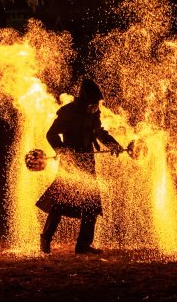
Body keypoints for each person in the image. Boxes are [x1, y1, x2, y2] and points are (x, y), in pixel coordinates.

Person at [36, 79, 124, 255]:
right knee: (59, 205)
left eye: (97, 103)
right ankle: (45, 239)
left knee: (91, 205)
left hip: (88, 163)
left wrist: (113, 144)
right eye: (93, 102)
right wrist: (62, 149)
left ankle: (83, 246)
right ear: (85, 100)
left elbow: (99, 132)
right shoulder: (68, 112)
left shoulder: (94, 113)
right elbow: (51, 134)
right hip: (70, 165)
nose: (96, 106)